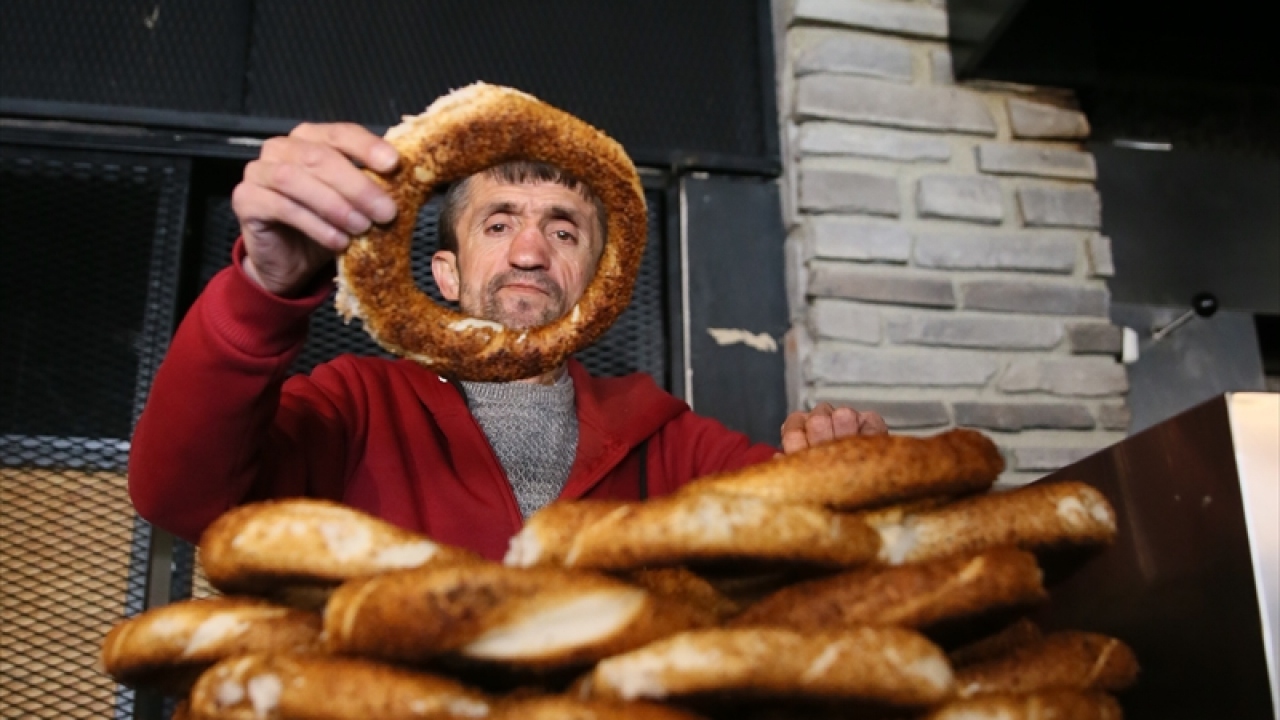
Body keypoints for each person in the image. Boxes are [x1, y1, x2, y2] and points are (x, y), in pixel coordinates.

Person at [127, 122, 887, 561]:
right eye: (498, 224)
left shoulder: (669, 439)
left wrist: (846, 469)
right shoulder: (356, 403)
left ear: (595, 279)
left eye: (564, 230)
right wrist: (264, 290)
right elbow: (179, 498)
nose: (530, 251)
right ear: (446, 273)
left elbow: (813, 531)